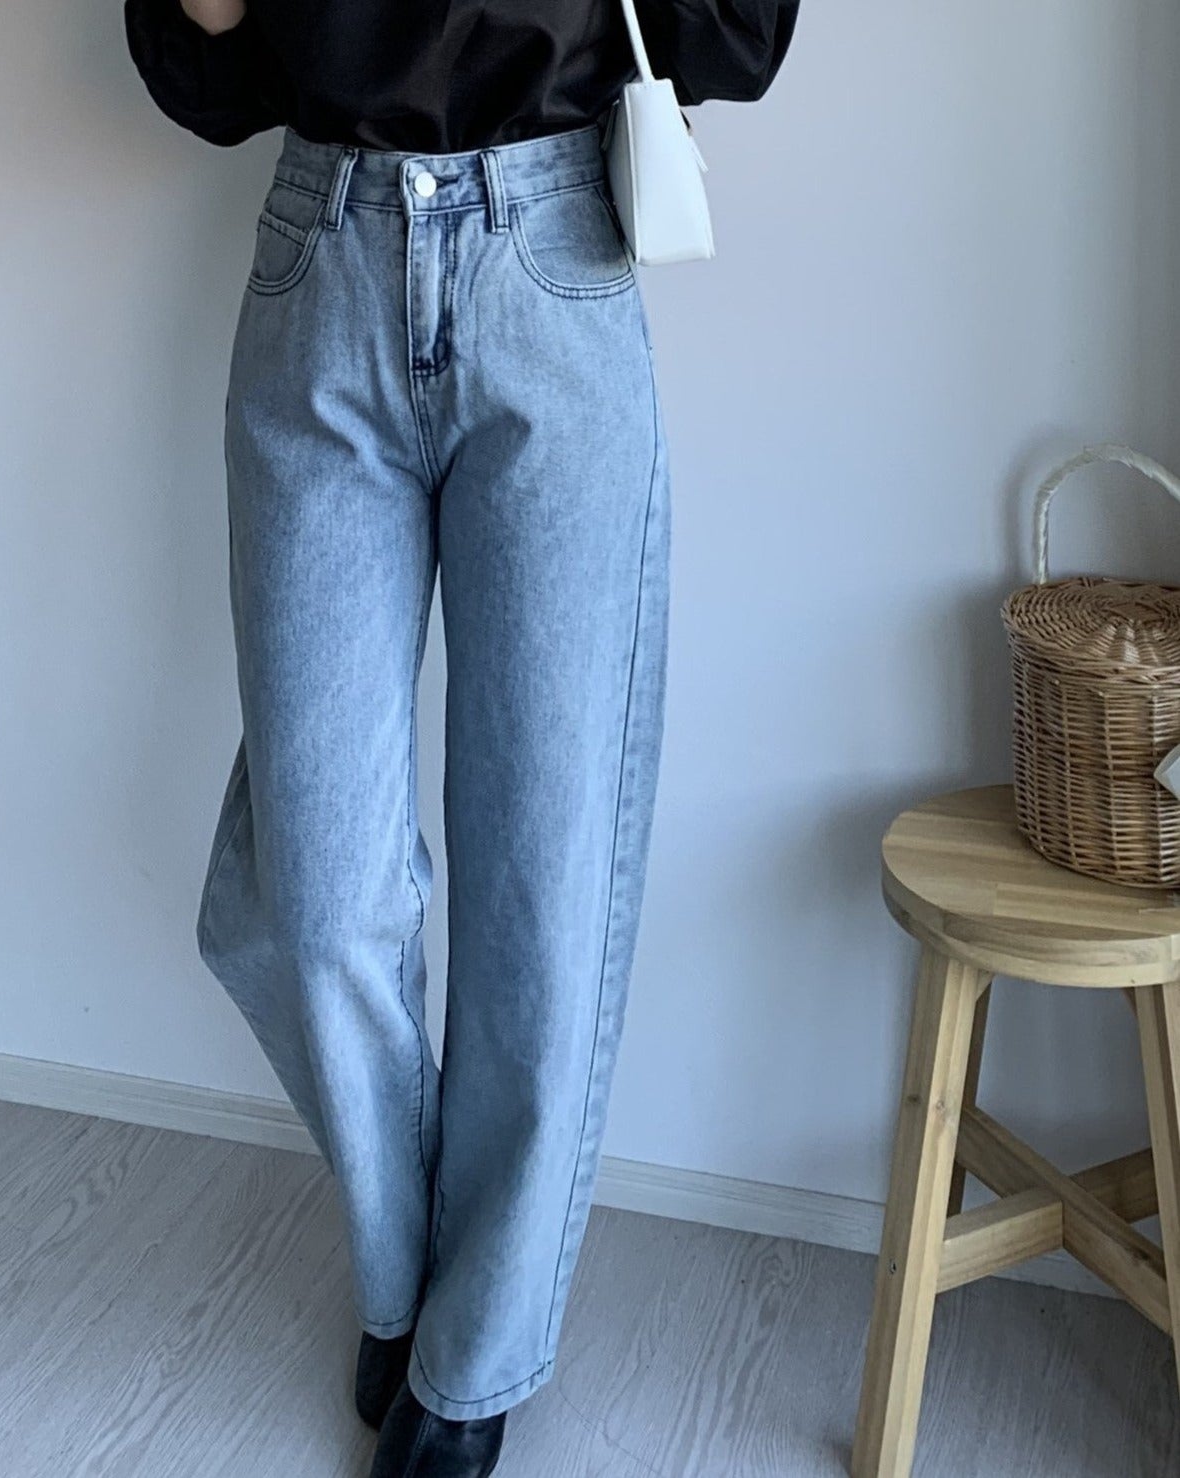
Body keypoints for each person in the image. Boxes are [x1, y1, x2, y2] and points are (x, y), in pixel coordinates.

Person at [122, 3, 798, 1474]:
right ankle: (406, 1268)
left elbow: (735, 42)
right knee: (314, 894)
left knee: (544, 881)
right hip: (322, 253)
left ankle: (474, 1351)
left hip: (552, 257)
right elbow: (208, 74)